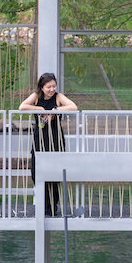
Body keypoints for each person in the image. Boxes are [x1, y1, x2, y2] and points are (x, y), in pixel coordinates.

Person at [19, 72, 78, 216]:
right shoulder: (36, 96)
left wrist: (56, 110)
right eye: (48, 87)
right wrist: (40, 109)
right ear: (42, 87)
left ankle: (52, 206)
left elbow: (73, 107)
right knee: (36, 171)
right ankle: (42, 204)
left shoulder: (58, 97)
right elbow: (22, 106)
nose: (52, 89)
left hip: (56, 138)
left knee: (54, 172)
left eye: (54, 86)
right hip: (40, 138)